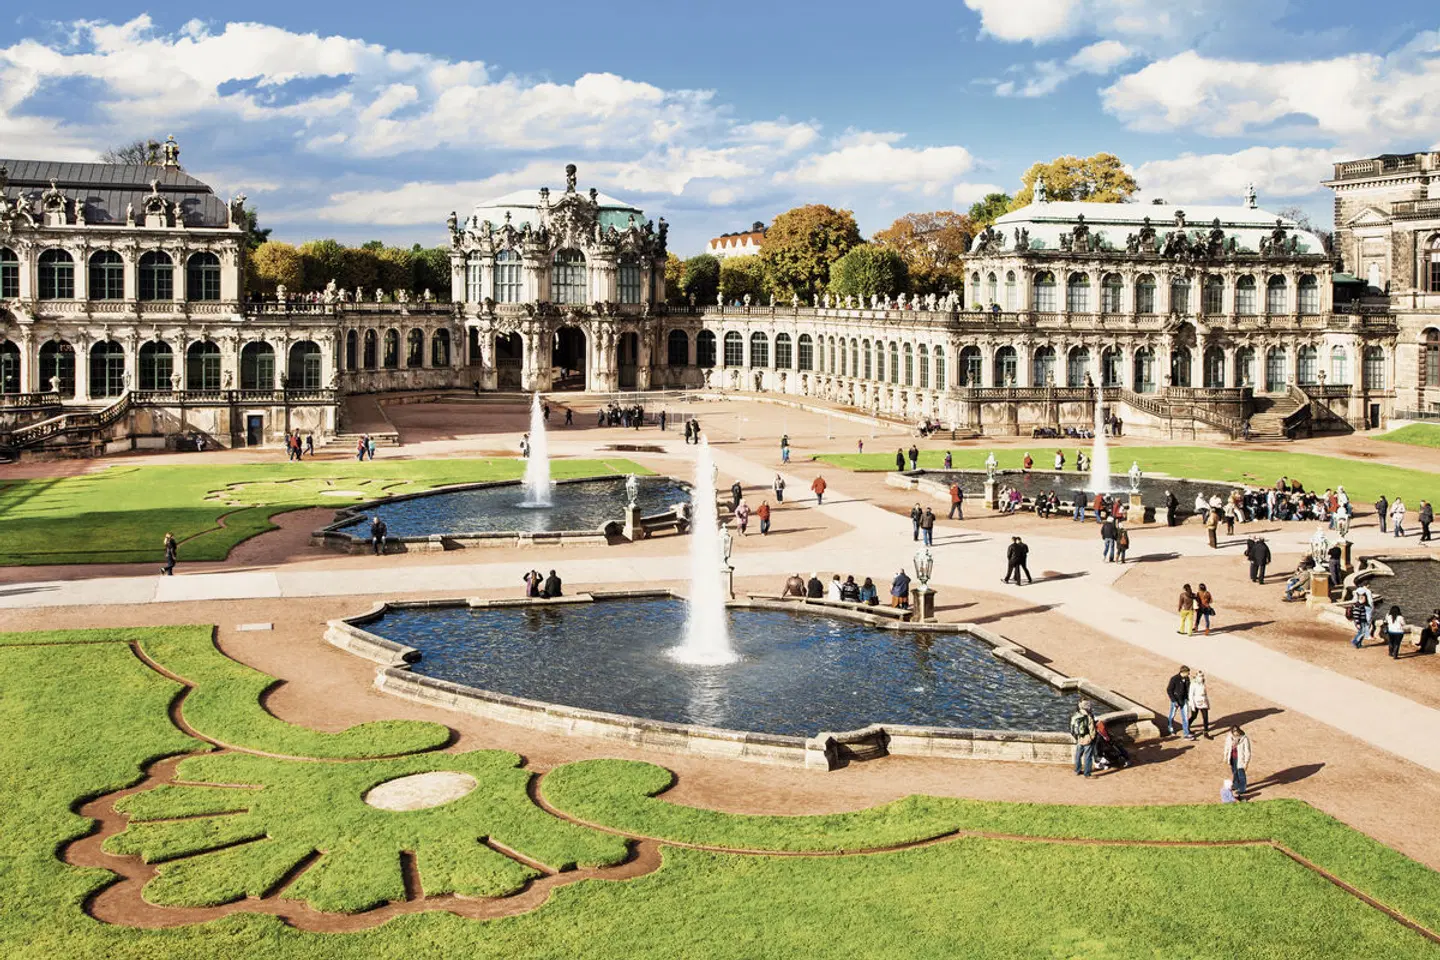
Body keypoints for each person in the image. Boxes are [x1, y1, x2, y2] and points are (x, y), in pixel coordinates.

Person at [1069, 699, 1097, 778]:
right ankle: (1087, 774)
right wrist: (1092, 737)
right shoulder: (1088, 716)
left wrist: (1076, 737)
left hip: (1079, 738)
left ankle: (1077, 770)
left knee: (1078, 755)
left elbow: (1072, 728)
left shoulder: (1076, 715)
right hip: (1087, 738)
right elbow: (1092, 729)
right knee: (1088, 756)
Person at [1223, 726, 1251, 797]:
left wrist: (1246, 762)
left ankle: (1242, 789)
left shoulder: (1244, 739)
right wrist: (1225, 756)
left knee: (1241, 774)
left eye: (1237, 734)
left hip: (1241, 759)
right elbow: (1227, 746)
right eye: (1234, 734)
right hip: (1232, 758)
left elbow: (1247, 751)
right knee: (1234, 772)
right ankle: (1236, 785)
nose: (1236, 736)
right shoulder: (1229, 737)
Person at [1166, 666, 1192, 738]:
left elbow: (1187, 690)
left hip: (1184, 700)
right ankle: (1170, 728)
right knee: (1172, 715)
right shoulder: (1174, 679)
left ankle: (1186, 733)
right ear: (1183, 672)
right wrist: (1174, 700)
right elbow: (1169, 690)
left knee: (1185, 717)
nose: (1189, 674)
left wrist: (1187, 699)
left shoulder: (1187, 679)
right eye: (1188, 672)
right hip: (1176, 700)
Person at [1187, 669, 1211, 739]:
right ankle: (1187, 726)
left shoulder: (1203, 683)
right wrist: (1192, 705)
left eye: (1202, 676)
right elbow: (1191, 695)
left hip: (1203, 702)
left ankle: (1206, 732)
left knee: (1205, 717)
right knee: (1194, 716)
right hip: (1196, 702)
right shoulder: (1193, 683)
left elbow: (1205, 694)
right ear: (1196, 676)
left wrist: (1208, 704)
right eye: (1200, 676)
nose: (1202, 677)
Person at [1349, 583, 1374, 648]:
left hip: (1362, 618)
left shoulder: (1357, 591)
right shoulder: (1367, 592)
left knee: (1362, 631)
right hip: (1363, 618)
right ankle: (1355, 641)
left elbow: (1354, 600)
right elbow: (1371, 602)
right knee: (1362, 631)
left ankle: (1358, 644)